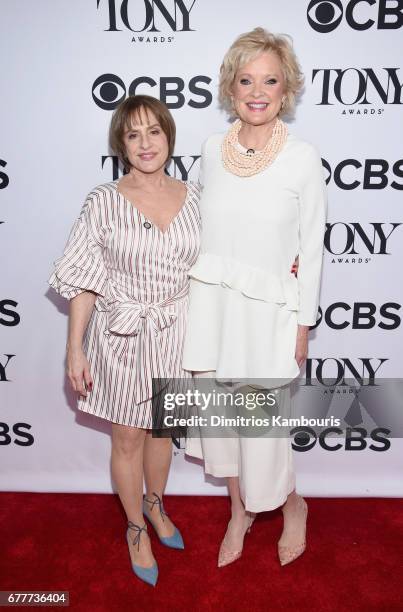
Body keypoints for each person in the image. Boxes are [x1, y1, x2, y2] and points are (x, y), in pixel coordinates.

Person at [182, 28, 327, 567]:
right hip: (211, 308)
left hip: (269, 313)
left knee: (261, 428)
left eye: (269, 79)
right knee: (222, 425)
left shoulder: (303, 157)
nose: (257, 90)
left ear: (286, 88)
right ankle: (239, 511)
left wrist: (302, 324)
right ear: (230, 86)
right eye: (246, 79)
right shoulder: (208, 152)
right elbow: (197, 230)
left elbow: (310, 249)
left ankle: (292, 505)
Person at [48, 95, 201, 586]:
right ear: (121, 144)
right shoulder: (103, 200)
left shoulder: (195, 196)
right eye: (133, 135)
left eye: (153, 131)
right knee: (129, 436)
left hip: (177, 330)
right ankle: (135, 526)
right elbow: (85, 279)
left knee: (162, 431)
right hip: (120, 334)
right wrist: (76, 348)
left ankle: (156, 507)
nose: (145, 143)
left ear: (168, 136)